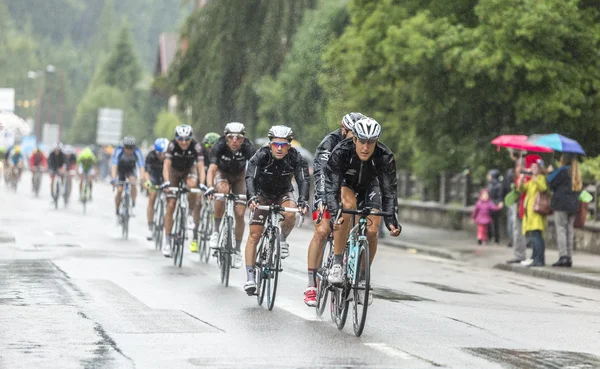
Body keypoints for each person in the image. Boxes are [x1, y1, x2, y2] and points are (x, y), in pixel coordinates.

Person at [324, 118, 402, 305]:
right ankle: (336, 263)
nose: (366, 147)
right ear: (355, 140)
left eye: (371, 142)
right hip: (345, 184)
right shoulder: (341, 152)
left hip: (370, 186)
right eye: (362, 141)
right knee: (348, 207)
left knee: (372, 230)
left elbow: (389, 191)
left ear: (376, 142)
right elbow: (331, 186)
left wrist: (391, 221)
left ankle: (362, 278)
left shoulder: (384, 156)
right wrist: (335, 213)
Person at [304, 112, 363, 306]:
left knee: (357, 220)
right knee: (322, 230)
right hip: (327, 186)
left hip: (350, 189)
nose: (358, 140)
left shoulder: (363, 145)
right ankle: (312, 285)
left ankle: (351, 268)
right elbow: (321, 174)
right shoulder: (330, 143)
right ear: (344, 130)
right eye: (354, 135)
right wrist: (322, 199)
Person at [243, 126, 309, 295]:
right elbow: (250, 176)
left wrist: (303, 201)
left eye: (284, 145)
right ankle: (250, 277)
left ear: (289, 145)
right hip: (262, 194)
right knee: (255, 235)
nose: (279, 148)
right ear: (270, 144)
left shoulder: (295, 157)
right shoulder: (261, 155)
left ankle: (282, 238)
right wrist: (251, 198)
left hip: (283, 193)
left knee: (290, 211)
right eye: (276, 144)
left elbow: (303, 180)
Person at [205, 122, 256, 268]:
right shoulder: (219, 145)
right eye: (231, 137)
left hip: (240, 176)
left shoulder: (248, 147)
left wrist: (255, 190)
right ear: (225, 138)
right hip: (223, 174)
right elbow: (212, 170)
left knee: (240, 213)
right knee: (222, 191)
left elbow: (254, 170)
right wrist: (210, 187)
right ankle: (215, 231)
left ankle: (237, 250)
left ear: (243, 138)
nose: (235, 140)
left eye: (239, 137)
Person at [160, 125, 205, 257]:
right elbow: (166, 165)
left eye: (187, 139)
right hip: (174, 172)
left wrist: (202, 183)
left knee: (192, 185)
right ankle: (167, 241)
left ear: (191, 138)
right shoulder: (172, 146)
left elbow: (201, 168)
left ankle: (190, 213)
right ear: (176, 138)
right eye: (181, 139)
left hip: (189, 171)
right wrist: (167, 181)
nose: (184, 142)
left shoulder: (196, 147)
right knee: (171, 205)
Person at [547, 154, 582, 267]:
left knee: (561, 229)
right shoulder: (576, 173)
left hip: (561, 204)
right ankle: (569, 257)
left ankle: (563, 256)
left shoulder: (562, 171)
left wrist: (550, 171)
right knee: (569, 230)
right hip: (573, 205)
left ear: (564, 160)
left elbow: (550, 181)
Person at [189, 132, 220, 252]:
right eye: (208, 147)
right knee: (198, 202)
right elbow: (197, 169)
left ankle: (214, 215)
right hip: (202, 181)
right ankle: (195, 238)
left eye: (213, 147)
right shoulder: (200, 153)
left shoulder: (220, 154)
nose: (210, 149)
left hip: (213, 182)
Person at [517, 155, 548, 267]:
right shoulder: (531, 181)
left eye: (536, 167)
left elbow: (543, 188)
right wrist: (520, 181)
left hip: (537, 213)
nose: (533, 169)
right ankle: (535, 258)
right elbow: (522, 189)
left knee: (537, 237)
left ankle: (539, 259)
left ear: (539, 168)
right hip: (530, 213)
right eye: (532, 167)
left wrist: (535, 179)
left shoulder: (541, 178)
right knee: (534, 237)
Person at [111, 136, 145, 218]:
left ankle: (133, 203)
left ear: (134, 148)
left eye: (131, 148)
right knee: (119, 190)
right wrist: (113, 179)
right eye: (127, 147)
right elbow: (114, 165)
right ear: (124, 146)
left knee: (133, 182)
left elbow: (141, 166)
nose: (129, 150)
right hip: (121, 170)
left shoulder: (137, 151)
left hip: (131, 170)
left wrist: (142, 179)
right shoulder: (119, 150)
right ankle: (117, 208)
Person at [144, 138, 169, 240]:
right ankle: (150, 226)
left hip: (165, 177)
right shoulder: (150, 156)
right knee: (152, 197)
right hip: (154, 176)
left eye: (164, 154)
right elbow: (146, 172)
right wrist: (148, 182)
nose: (162, 156)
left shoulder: (170, 156)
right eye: (159, 154)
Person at [487, 169, 503, 244]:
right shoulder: (490, 184)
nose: (488, 176)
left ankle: (496, 238)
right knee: (488, 222)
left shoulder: (498, 185)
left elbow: (500, 195)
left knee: (495, 222)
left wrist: (500, 202)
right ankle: (489, 237)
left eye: (489, 175)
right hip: (490, 204)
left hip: (495, 204)